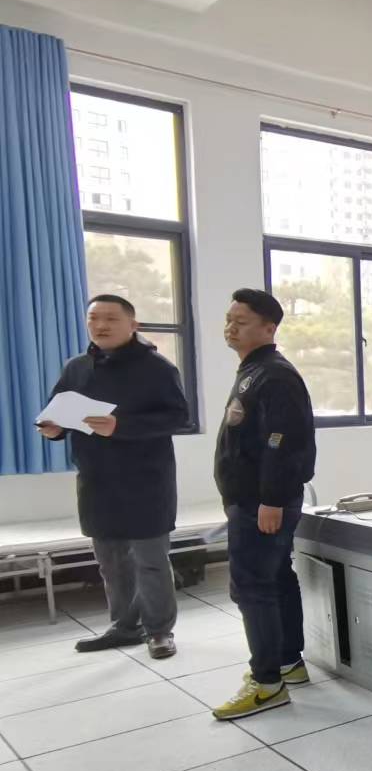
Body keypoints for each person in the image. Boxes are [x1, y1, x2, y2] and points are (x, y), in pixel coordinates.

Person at [37, 295, 189, 660]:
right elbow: (58, 411)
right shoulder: (77, 367)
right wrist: (53, 429)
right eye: (93, 318)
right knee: (111, 562)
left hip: (146, 480)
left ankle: (159, 631)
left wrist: (121, 426)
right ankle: (124, 627)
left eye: (110, 318)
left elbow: (177, 417)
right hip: (96, 479)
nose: (100, 325)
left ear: (133, 325)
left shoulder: (157, 367)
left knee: (150, 560)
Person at [210, 289, 318, 721]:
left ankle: (267, 683)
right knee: (274, 578)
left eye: (241, 322)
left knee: (252, 587)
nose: (230, 327)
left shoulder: (274, 375)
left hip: (262, 503)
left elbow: (283, 443)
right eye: (229, 319)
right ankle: (288, 662)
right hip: (252, 500)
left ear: (269, 328)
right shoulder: (254, 371)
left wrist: (271, 500)